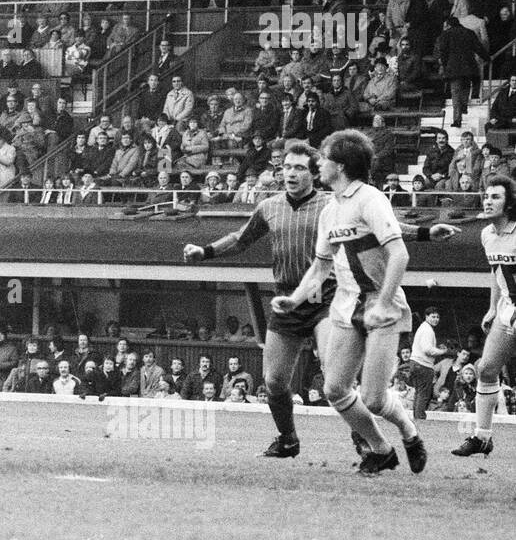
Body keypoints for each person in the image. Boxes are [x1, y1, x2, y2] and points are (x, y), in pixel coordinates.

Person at [185, 140, 456, 459]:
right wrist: (205, 251)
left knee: (334, 374)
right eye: (286, 166)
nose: (291, 173)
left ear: (314, 173)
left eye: (299, 167)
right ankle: (287, 439)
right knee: (273, 381)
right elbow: (241, 239)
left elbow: (387, 227)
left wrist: (424, 233)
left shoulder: (333, 204)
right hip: (288, 297)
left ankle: (367, 439)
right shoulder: (269, 207)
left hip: (327, 296)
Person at [271, 130, 428, 475]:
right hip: (345, 305)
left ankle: (409, 433)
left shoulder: (370, 199)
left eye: (323, 158)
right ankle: (380, 449)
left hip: (380, 305)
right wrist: (294, 299)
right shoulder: (331, 209)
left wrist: (385, 303)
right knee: (335, 389)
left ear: (339, 166)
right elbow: (320, 266)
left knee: (373, 397)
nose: (318, 164)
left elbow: (399, 254)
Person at [454, 175, 516, 458]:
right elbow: (496, 272)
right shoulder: (486, 234)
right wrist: (493, 307)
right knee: (486, 369)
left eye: (496, 197)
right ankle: (482, 437)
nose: (488, 201)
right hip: (507, 308)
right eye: (486, 196)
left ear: (510, 202)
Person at [408, 307, 449, 421]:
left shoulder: (424, 328)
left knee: (418, 393)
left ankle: (417, 417)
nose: (436, 319)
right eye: (433, 317)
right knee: (423, 394)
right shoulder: (427, 330)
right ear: (426, 317)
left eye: (437, 317)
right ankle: (420, 417)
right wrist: (442, 351)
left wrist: (436, 348)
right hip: (423, 365)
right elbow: (427, 349)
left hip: (415, 362)